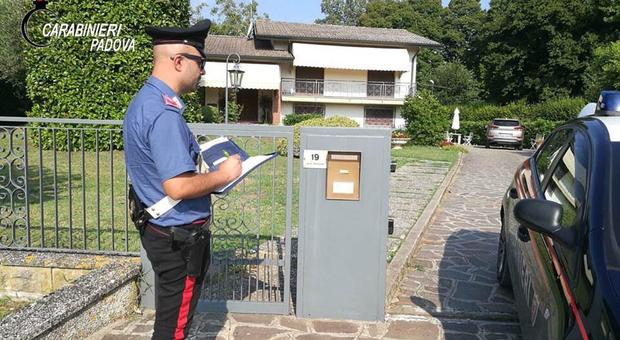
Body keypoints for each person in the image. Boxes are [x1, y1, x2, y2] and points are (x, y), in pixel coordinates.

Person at [122, 19, 241, 340]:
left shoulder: (146, 101)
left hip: (163, 232)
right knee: (173, 330)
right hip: (179, 242)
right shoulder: (164, 114)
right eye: (200, 63)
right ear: (178, 61)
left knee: (171, 319)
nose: (203, 71)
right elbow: (177, 186)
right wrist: (223, 175)